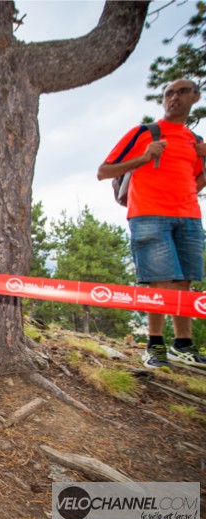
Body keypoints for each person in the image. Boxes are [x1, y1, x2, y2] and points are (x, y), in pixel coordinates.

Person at [97, 79, 206, 370]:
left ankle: (183, 345)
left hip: (189, 215)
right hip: (148, 213)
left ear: (195, 97)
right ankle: (154, 344)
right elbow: (104, 171)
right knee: (159, 280)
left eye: (182, 92)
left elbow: (196, 181)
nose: (174, 98)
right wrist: (144, 158)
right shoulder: (144, 133)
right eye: (169, 93)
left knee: (184, 280)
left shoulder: (195, 141)